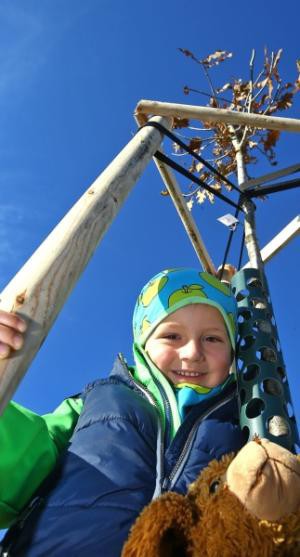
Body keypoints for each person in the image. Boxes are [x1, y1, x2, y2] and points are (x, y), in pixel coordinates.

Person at [0, 268, 246, 557]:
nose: (192, 352)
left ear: (232, 352)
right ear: (143, 344)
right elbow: (20, 464)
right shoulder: (95, 402)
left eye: (213, 339)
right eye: (172, 336)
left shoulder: (246, 424)